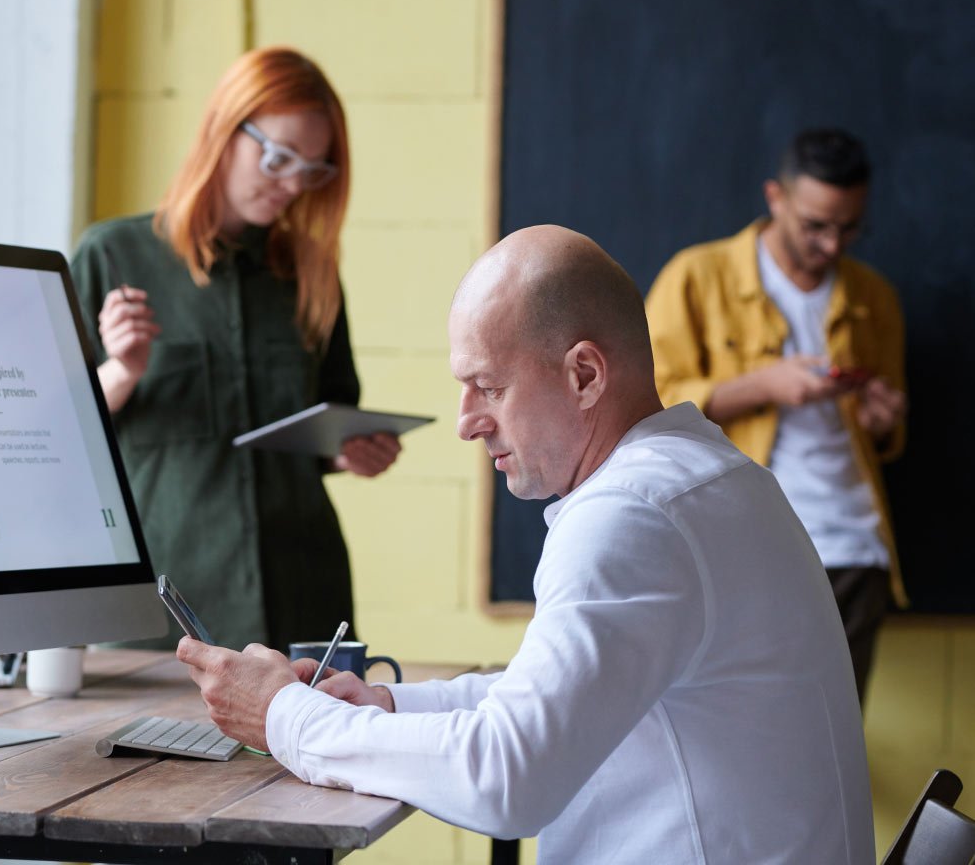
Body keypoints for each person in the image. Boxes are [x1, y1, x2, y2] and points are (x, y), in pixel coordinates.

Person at [178, 226, 872, 863]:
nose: (466, 423)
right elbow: (556, 699)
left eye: (488, 387)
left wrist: (282, 716)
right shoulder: (715, 477)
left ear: (585, 375)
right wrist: (387, 705)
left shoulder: (630, 513)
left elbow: (506, 778)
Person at [71, 46, 400, 651]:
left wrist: (350, 452)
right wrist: (122, 371)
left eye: (312, 169)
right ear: (224, 131)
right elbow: (53, 436)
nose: (292, 184)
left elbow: (327, 423)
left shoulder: (310, 273)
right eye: (278, 158)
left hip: (302, 597)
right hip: (164, 608)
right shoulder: (112, 256)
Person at [644, 128, 907, 704]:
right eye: (816, 225)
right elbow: (646, 405)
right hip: (741, 545)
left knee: (835, 728)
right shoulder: (696, 277)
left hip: (853, 548)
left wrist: (882, 419)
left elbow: (885, 432)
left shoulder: (873, 296)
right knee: (743, 724)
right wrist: (762, 385)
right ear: (776, 197)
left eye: (849, 228)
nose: (832, 244)